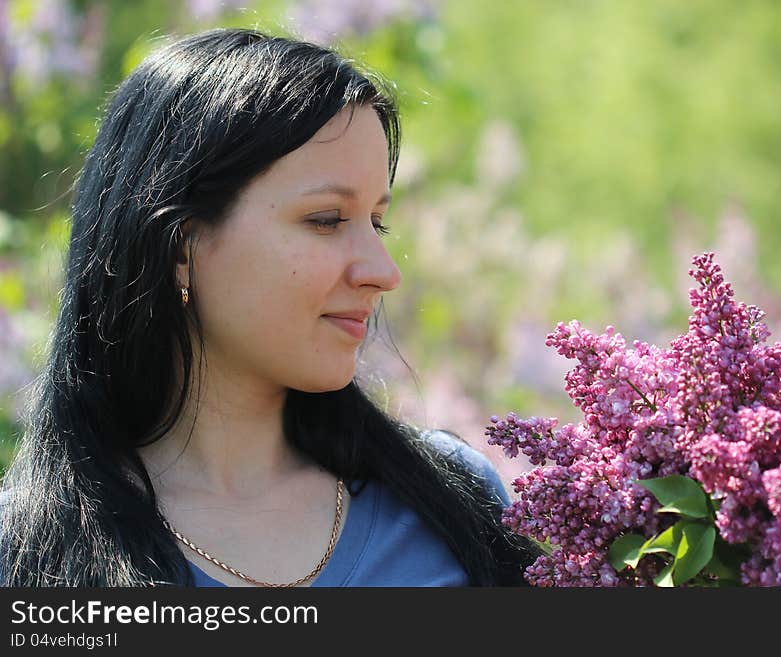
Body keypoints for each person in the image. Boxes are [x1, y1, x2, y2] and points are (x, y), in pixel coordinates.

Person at [0, 28, 544, 587]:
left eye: (376, 222)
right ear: (182, 247)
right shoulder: (34, 559)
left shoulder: (454, 503)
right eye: (327, 220)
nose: (383, 272)